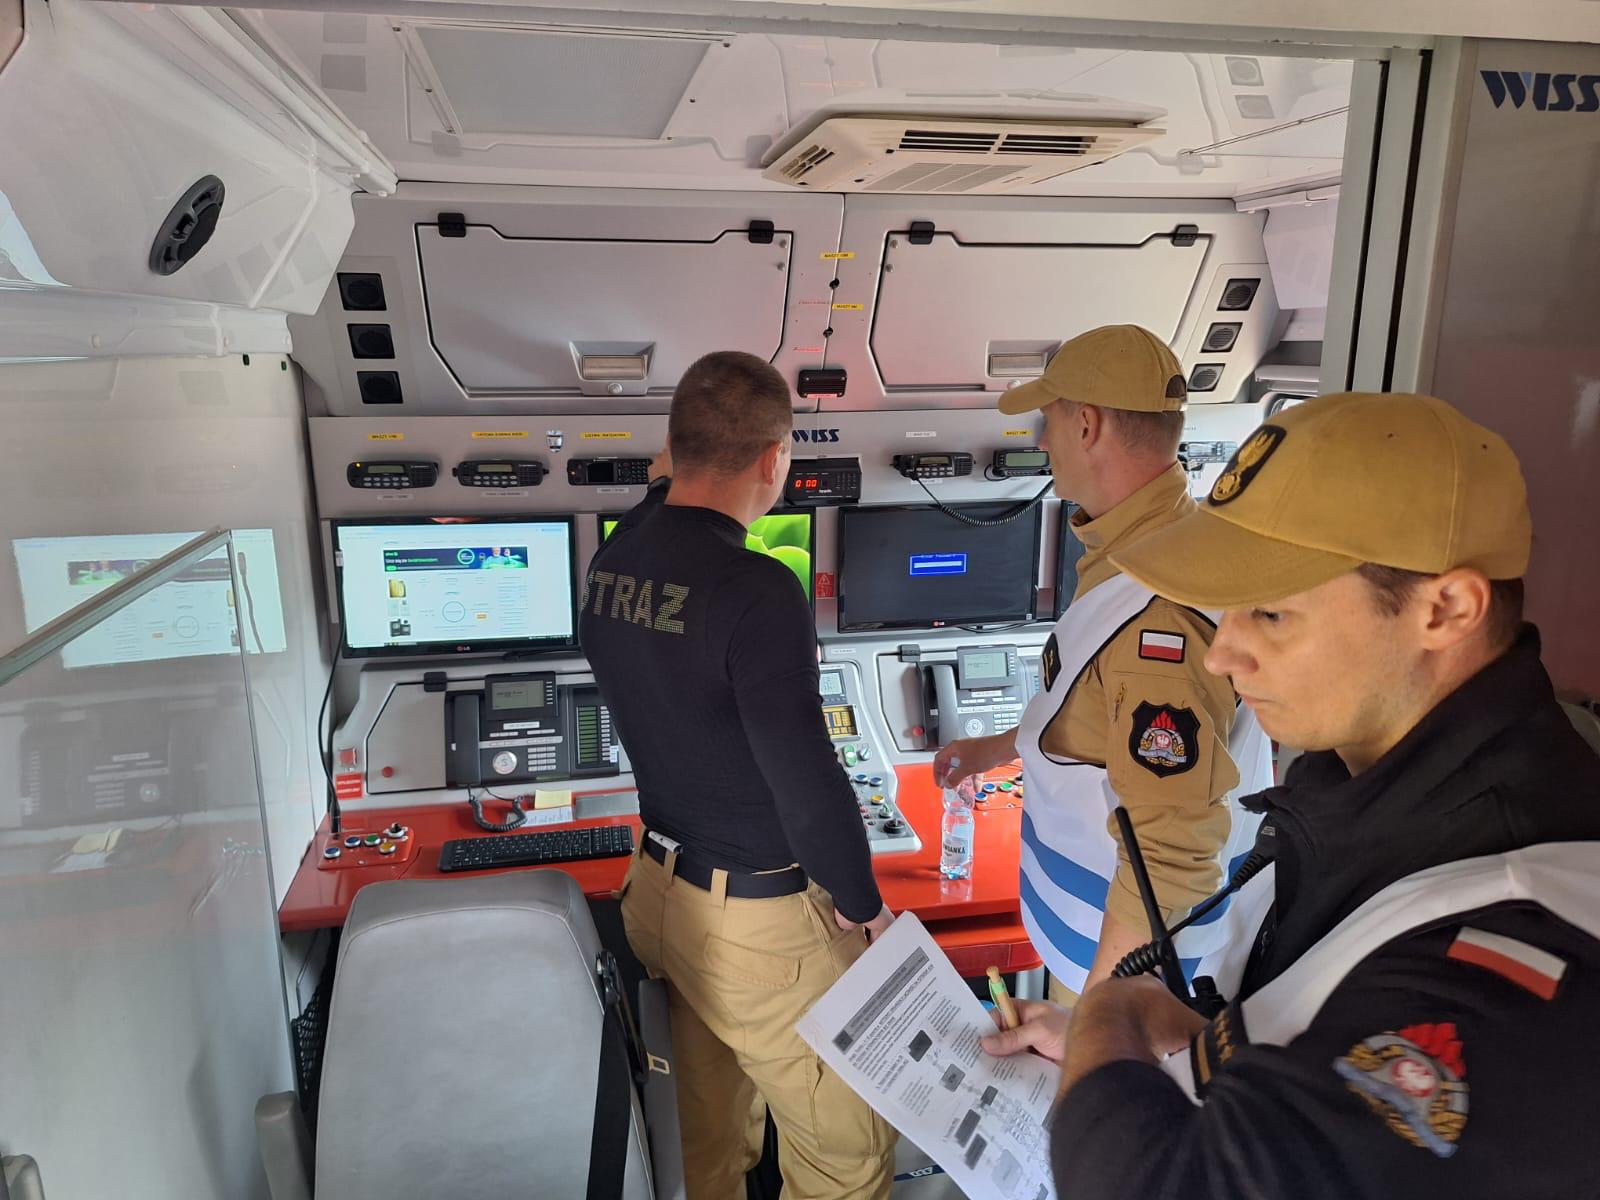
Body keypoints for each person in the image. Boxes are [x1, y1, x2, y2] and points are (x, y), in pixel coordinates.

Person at [983, 392, 1600, 1198]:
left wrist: (1110, 1016)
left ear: (1446, 609)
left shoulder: (1521, 964)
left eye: (1270, 613)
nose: (1222, 654)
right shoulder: (1353, 785)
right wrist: (1199, 1043)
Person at [580, 350, 896, 1200]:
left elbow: (660, 497)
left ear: (675, 450)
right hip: (759, 930)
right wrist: (863, 904)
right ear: (774, 460)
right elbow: (806, 775)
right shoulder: (758, 589)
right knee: (846, 1157)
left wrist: (672, 468)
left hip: (659, 898)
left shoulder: (614, 559)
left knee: (705, 1145)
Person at [934, 324, 1272, 1004]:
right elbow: (1095, 719)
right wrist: (995, 750)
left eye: (1049, 422)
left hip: (1124, 982)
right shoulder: (1147, 553)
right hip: (1092, 954)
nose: (1041, 442)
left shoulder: (1161, 618)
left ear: (1087, 425)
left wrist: (1100, 1026)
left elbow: (1172, 855)